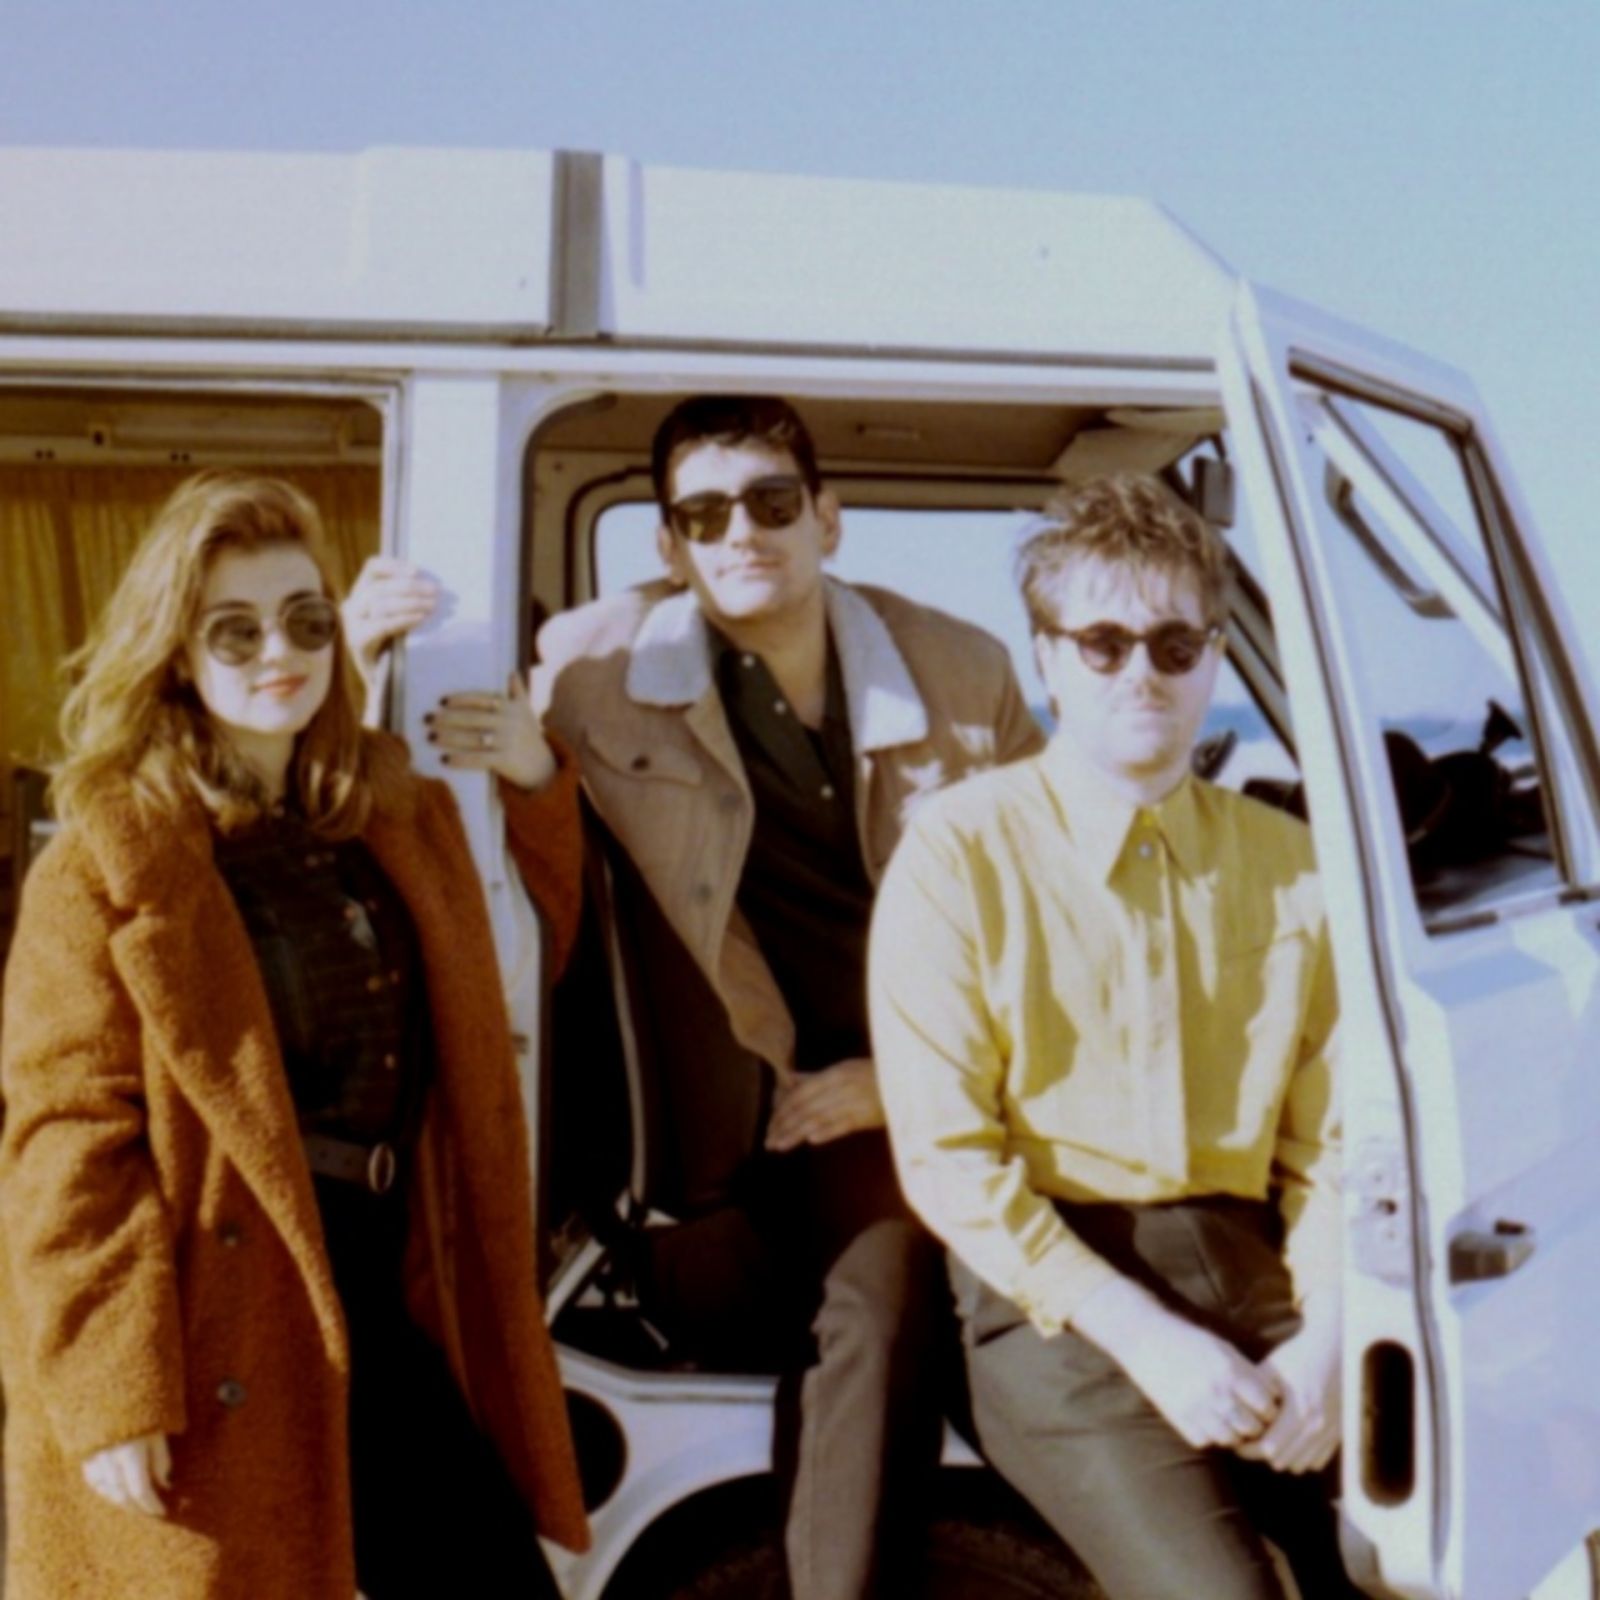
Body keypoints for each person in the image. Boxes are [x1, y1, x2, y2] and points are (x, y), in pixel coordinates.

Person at [348, 394, 1044, 1600]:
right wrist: (366, 666)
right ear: (668, 545)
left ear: (827, 518)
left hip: (921, 1073)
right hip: (739, 1096)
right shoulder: (594, 669)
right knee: (877, 1306)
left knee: (901, 1308)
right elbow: (433, 798)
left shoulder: (960, 668)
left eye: (772, 503)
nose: (742, 534)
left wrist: (905, 1083)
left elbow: (1054, 912)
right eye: (705, 514)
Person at [0, 473, 589, 1600]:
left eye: (307, 620)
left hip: (378, 1271)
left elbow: (516, 973)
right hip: (214, 1300)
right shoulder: (105, 860)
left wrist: (535, 781)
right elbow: (68, 1137)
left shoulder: (396, 815)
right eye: (236, 629)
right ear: (177, 653)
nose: (280, 651)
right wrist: (114, 1385)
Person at [870, 473, 1359, 1599]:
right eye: (1102, 642)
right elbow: (948, 1163)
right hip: (1055, 1298)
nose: (1142, 671)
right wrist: (1149, 1342)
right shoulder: (957, 853)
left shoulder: (1292, 863)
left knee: (1431, 1561)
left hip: (1260, 1266)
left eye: (1175, 644)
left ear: (1214, 660)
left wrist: (1332, 1342)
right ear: (1046, 659)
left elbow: (1330, 1145)